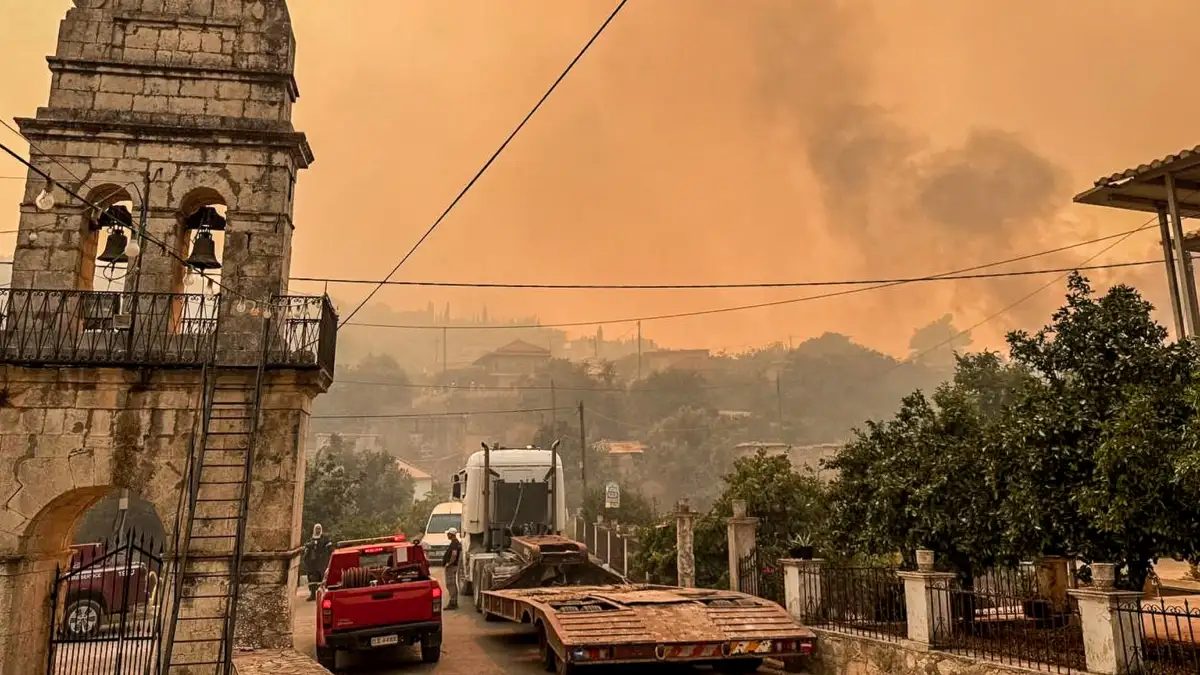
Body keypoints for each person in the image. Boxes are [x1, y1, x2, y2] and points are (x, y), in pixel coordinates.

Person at [302, 524, 333, 601]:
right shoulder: (310, 539)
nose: (318, 530)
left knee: (322, 578)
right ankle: (312, 594)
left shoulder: (325, 538)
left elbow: (330, 549)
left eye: (319, 528)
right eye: (317, 528)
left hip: (321, 562)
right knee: (312, 578)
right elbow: (306, 548)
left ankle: (323, 595)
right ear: (314, 529)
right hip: (312, 562)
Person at [442, 527, 461, 610]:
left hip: (452, 567)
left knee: (450, 584)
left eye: (448, 534)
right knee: (452, 584)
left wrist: (449, 564)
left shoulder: (454, 543)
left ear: (451, 534)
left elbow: (454, 555)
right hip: (453, 566)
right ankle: (453, 602)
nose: (447, 535)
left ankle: (453, 603)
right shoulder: (455, 543)